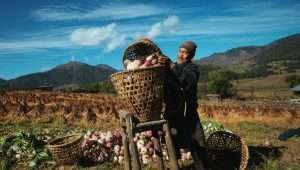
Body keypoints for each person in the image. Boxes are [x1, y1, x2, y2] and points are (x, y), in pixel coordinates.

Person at [159, 41, 209, 170]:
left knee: (197, 144)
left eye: (185, 52)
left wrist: (171, 66)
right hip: (173, 113)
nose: (181, 55)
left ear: (191, 55)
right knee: (172, 142)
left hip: (188, 114)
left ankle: (203, 167)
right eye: (180, 51)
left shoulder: (192, 69)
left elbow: (186, 81)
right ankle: (176, 166)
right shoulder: (171, 68)